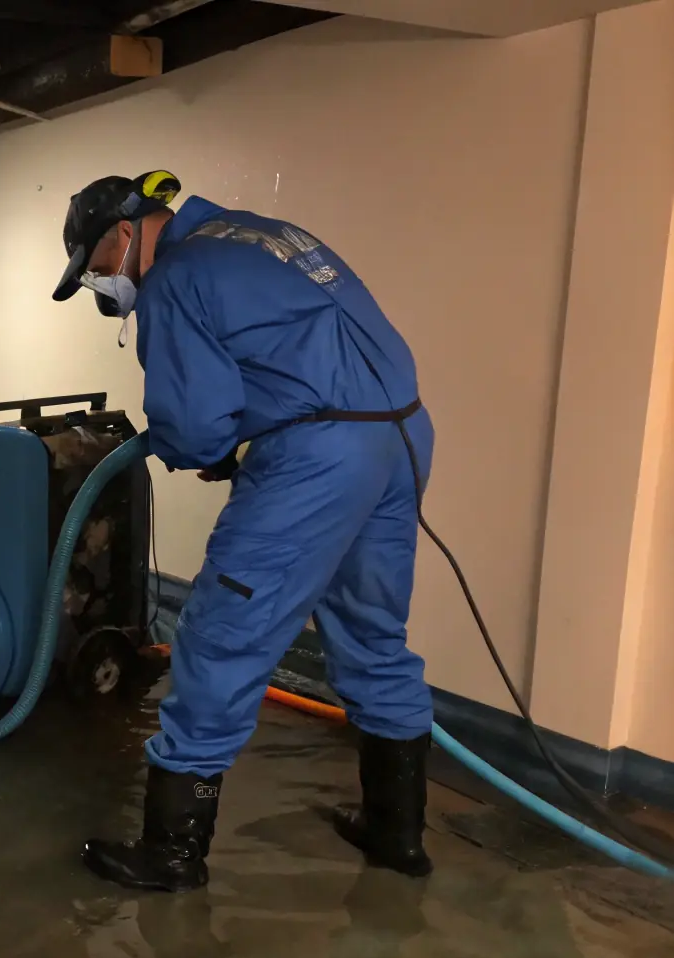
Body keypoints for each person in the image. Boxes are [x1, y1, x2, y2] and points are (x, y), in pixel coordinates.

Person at [51, 171, 436, 892]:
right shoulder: (260, 234)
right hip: (400, 436)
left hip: (317, 456)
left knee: (221, 632)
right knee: (372, 632)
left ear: (123, 233)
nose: (105, 287)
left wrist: (202, 448)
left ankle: (170, 854)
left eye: (98, 270)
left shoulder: (178, 276)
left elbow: (193, 430)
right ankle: (396, 833)